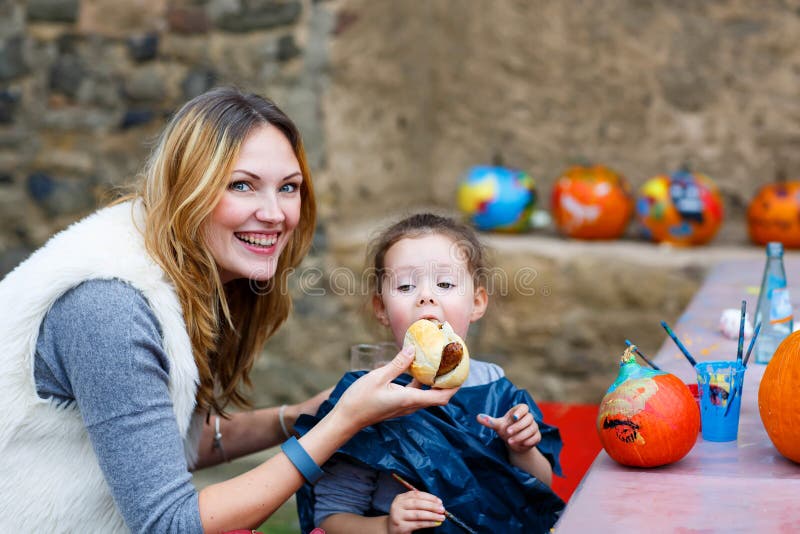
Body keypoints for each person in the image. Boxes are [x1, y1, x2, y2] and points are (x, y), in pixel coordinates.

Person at [0, 88, 457, 532]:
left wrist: (302, 414)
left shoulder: (182, 274)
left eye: (289, 187)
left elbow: (146, 441)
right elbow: (169, 523)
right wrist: (342, 421)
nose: (275, 214)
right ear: (187, 190)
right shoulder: (109, 307)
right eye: (242, 185)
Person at [295, 213, 564, 534]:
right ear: (381, 308)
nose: (426, 295)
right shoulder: (365, 402)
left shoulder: (501, 392)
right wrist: (387, 525)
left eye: (446, 284)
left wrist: (522, 450)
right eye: (406, 285)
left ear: (476, 303)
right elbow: (330, 519)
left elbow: (539, 490)